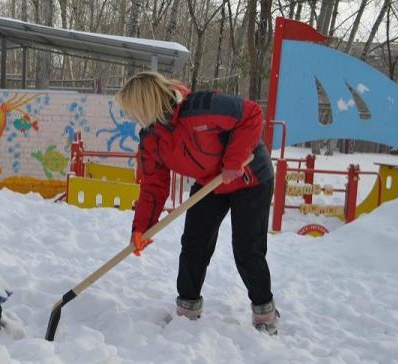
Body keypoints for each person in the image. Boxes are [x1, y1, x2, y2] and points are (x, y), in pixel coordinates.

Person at [114, 71, 279, 334]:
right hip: (210, 181)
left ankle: (264, 312)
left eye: (133, 110)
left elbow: (251, 114)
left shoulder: (201, 108)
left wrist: (233, 161)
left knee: (247, 248)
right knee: (194, 243)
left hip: (249, 177)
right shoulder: (151, 139)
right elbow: (153, 187)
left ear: (146, 104)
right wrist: (141, 228)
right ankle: (187, 308)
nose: (132, 117)